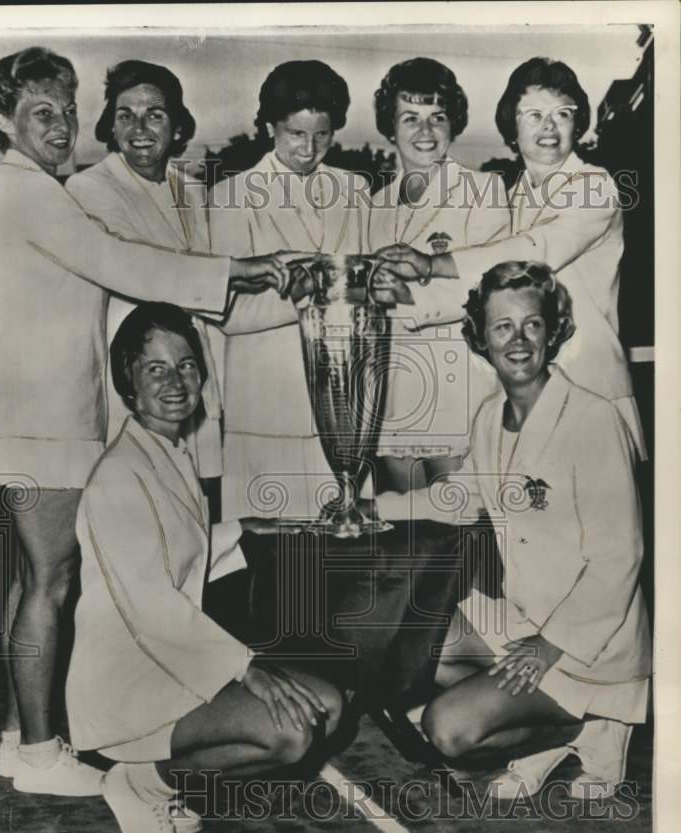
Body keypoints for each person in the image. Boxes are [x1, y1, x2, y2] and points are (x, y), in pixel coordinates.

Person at [0, 47, 290, 797]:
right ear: (3, 122)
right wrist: (232, 271)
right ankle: (43, 754)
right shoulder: (29, 193)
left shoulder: (32, 190)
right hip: (42, 423)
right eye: (40, 114)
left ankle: (23, 739)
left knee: (36, 579)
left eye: (64, 112)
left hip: (46, 419)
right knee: (50, 581)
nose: (59, 127)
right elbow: (121, 261)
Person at [65, 303, 343, 833]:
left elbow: (174, 545)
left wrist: (242, 527)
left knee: (329, 706)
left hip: (170, 660)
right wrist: (249, 668)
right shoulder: (119, 474)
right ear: (128, 382)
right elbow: (152, 604)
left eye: (187, 366)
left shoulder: (166, 451)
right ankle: (140, 783)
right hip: (130, 682)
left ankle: (158, 782)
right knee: (289, 732)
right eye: (156, 369)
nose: (176, 383)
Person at [376, 262, 650, 799]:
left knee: (447, 731)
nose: (518, 340)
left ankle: (592, 725)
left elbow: (622, 555)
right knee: (415, 641)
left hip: (591, 641)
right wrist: (371, 508)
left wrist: (549, 647)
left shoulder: (594, 419)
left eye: (532, 324)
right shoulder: (487, 418)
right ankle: (548, 730)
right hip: (526, 621)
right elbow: (457, 501)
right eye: (502, 326)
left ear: (555, 331)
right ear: (480, 338)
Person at [377, 57, 646, 461]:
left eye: (563, 114)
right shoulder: (516, 193)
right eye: (534, 115)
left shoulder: (594, 185)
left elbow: (531, 255)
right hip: (526, 391)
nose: (549, 127)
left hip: (589, 385)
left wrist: (431, 265)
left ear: (579, 123)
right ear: (512, 127)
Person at [209, 60, 445, 519]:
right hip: (266, 415)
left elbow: (368, 292)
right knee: (272, 566)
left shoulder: (355, 190)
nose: (309, 148)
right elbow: (226, 312)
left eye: (322, 134)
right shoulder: (230, 196)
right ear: (268, 127)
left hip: (346, 411)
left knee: (346, 566)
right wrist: (310, 293)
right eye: (296, 134)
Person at [66, 59, 299, 478]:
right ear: (111, 128)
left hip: (196, 392)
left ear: (177, 128)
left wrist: (300, 286)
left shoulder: (191, 190)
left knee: (197, 516)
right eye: (125, 116)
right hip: (135, 389)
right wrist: (242, 268)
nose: (139, 128)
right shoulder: (86, 190)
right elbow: (150, 272)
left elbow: (216, 300)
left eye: (154, 114)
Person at [365, 58, 511, 491]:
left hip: (460, 384)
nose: (425, 132)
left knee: (465, 530)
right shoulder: (372, 206)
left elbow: (492, 287)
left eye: (437, 117)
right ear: (390, 128)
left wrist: (409, 299)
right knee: (405, 537)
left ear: (455, 124)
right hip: (394, 390)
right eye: (410, 118)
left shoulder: (484, 190)